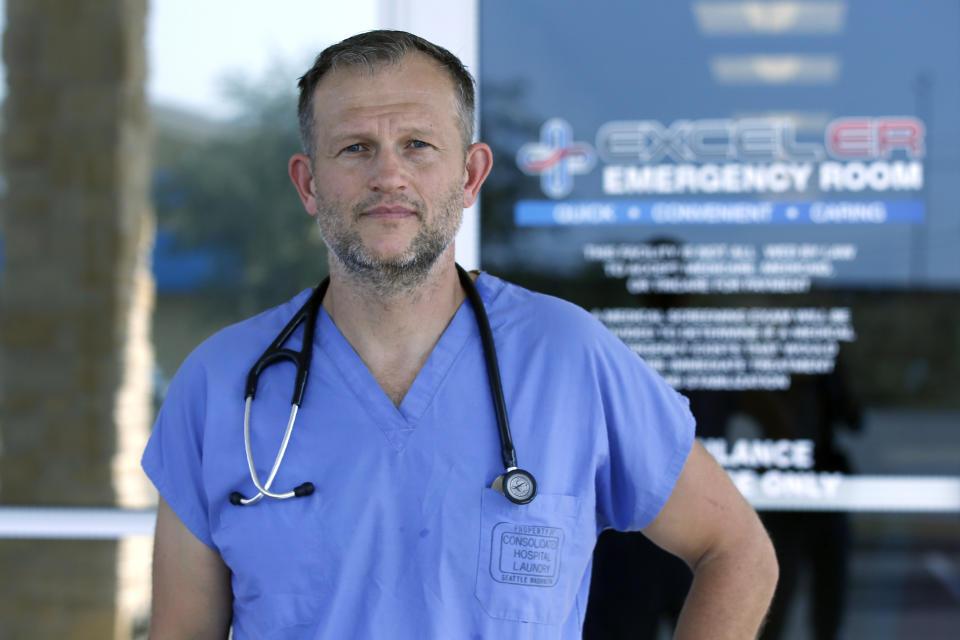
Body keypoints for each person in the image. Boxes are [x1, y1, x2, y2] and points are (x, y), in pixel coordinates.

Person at [142, 30, 777, 639]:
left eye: (418, 144)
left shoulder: (566, 357)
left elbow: (736, 549)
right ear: (309, 183)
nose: (388, 175)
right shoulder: (219, 385)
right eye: (355, 148)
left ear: (470, 175)